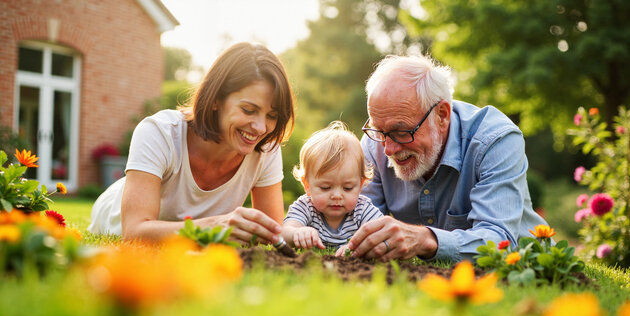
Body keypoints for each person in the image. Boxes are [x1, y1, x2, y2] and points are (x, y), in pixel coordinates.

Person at [88, 42, 294, 246]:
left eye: (272, 115)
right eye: (248, 110)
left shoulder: (266, 149)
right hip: (116, 212)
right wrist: (212, 227)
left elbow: (272, 234)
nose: (260, 127)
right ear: (216, 100)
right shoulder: (159, 132)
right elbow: (134, 232)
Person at [347, 54, 548, 262]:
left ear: (442, 114)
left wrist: (425, 239)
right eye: (380, 131)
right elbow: (354, 222)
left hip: (525, 272)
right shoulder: (375, 141)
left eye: (402, 132)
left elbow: (498, 240)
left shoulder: (495, 140)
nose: (388, 149)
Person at [282, 121, 383, 250]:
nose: (336, 196)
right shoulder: (305, 207)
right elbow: (284, 232)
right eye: (325, 187)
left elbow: (382, 235)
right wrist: (297, 233)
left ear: (360, 185)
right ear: (307, 185)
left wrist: (355, 247)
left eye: (347, 188)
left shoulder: (362, 210)